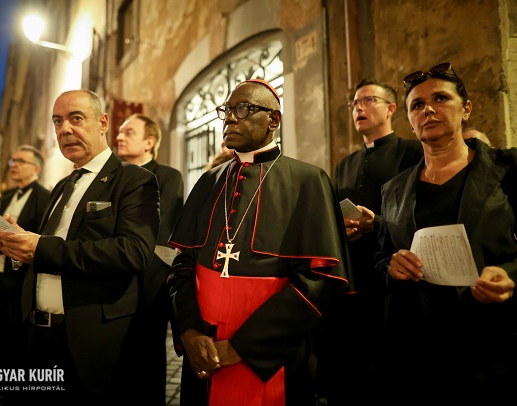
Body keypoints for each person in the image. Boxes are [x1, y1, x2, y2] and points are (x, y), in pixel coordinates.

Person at [167, 79, 352, 406]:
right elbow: (183, 264)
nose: (229, 118)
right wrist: (189, 332)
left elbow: (315, 281)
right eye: (226, 110)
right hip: (203, 347)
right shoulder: (208, 181)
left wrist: (243, 347)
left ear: (274, 120)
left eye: (243, 109)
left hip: (272, 353)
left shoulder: (308, 181)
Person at [0, 89, 160, 403]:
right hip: (38, 334)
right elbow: (52, 245)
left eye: (76, 118)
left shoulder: (133, 179)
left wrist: (40, 248)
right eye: (57, 121)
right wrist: (19, 243)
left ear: (103, 123)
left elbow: (134, 252)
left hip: (88, 341)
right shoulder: (61, 186)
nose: (64, 129)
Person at [374, 62, 517, 406]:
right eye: (417, 105)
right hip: (417, 348)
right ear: (410, 120)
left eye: (440, 98)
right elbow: (381, 256)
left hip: (491, 342)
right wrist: (391, 266)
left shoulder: (507, 169)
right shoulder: (393, 190)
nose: (428, 110)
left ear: (466, 109)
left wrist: (511, 275)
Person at [330, 78, 422, 403]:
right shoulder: (344, 165)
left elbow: (419, 214)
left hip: (395, 275)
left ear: (391, 108)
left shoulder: (412, 153)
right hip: (352, 273)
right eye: (354, 103)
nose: (358, 108)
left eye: (368, 100)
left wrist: (378, 224)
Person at [0, 145, 50, 401]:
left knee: (19, 337)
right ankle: (4, 387)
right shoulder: (5, 197)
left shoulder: (44, 198)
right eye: (12, 160)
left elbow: (42, 239)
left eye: (20, 161)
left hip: (20, 279)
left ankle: (21, 393)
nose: (13, 165)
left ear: (36, 168)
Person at [116, 113, 184, 405]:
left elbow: (159, 232)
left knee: (147, 363)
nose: (119, 137)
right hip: (110, 280)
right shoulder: (112, 176)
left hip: (149, 283)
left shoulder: (167, 177)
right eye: (119, 132)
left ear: (149, 142)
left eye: (128, 132)